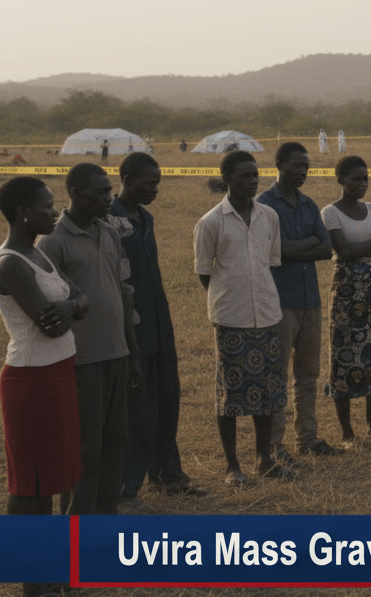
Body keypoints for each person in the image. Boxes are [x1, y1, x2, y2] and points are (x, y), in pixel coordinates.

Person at [0, 177, 87, 597]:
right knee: (29, 487)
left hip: (57, 373)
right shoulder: (11, 263)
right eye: (47, 207)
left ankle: (48, 579)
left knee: (52, 478)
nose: (55, 213)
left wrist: (71, 307)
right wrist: (73, 308)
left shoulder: (39, 255)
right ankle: (34, 592)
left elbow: (79, 301)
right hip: (31, 380)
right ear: (22, 213)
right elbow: (50, 324)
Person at [39, 164, 138, 515]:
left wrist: (131, 352)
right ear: (77, 194)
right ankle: (77, 535)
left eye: (110, 191)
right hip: (82, 361)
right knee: (85, 453)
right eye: (100, 192)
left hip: (116, 354)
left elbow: (121, 294)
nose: (109, 198)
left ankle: (104, 530)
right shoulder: (53, 243)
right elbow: (49, 308)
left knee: (115, 447)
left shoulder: (109, 232)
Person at [193, 150, 293, 486]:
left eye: (254, 176)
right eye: (243, 176)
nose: (251, 182)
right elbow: (205, 273)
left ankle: (264, 458)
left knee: (267, 392)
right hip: (231, 317)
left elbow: (271, 262)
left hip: (266, 314)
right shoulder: (211, 223)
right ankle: (232, 466)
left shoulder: (269, 217)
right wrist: (232, 294)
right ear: (226, 179)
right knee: (231, 395)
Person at [112, 154, 201, 504]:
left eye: (158, 182)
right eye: (148, 182)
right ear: (127, 179)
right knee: (139, 411)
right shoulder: (110, 221)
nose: (155, 189)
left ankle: (169, 474)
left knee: (167, 403)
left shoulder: (145, 218)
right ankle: (128, 486)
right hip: (133, 331)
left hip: (160, 326)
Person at [256, 142, 342, 460]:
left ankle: (307, 438)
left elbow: (327, 248)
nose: (303, 172)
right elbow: (272, 252)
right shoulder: (263, 206)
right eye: (296, 166)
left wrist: (295, 246)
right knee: (276, 375)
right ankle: (275, 445)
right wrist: (307, 243)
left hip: (310, 301)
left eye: (307, 166)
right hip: (279, 302)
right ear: (278, 165)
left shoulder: (308, 205)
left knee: (308, 375)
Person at [322, 156, 371, 443]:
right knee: (344, 360)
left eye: (365, 178)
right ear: (340, 179)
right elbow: (342, 251)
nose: (362, 184)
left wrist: (359, 250)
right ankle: (347, 432)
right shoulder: (330, 212)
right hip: (346, 294)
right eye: (355, 179)